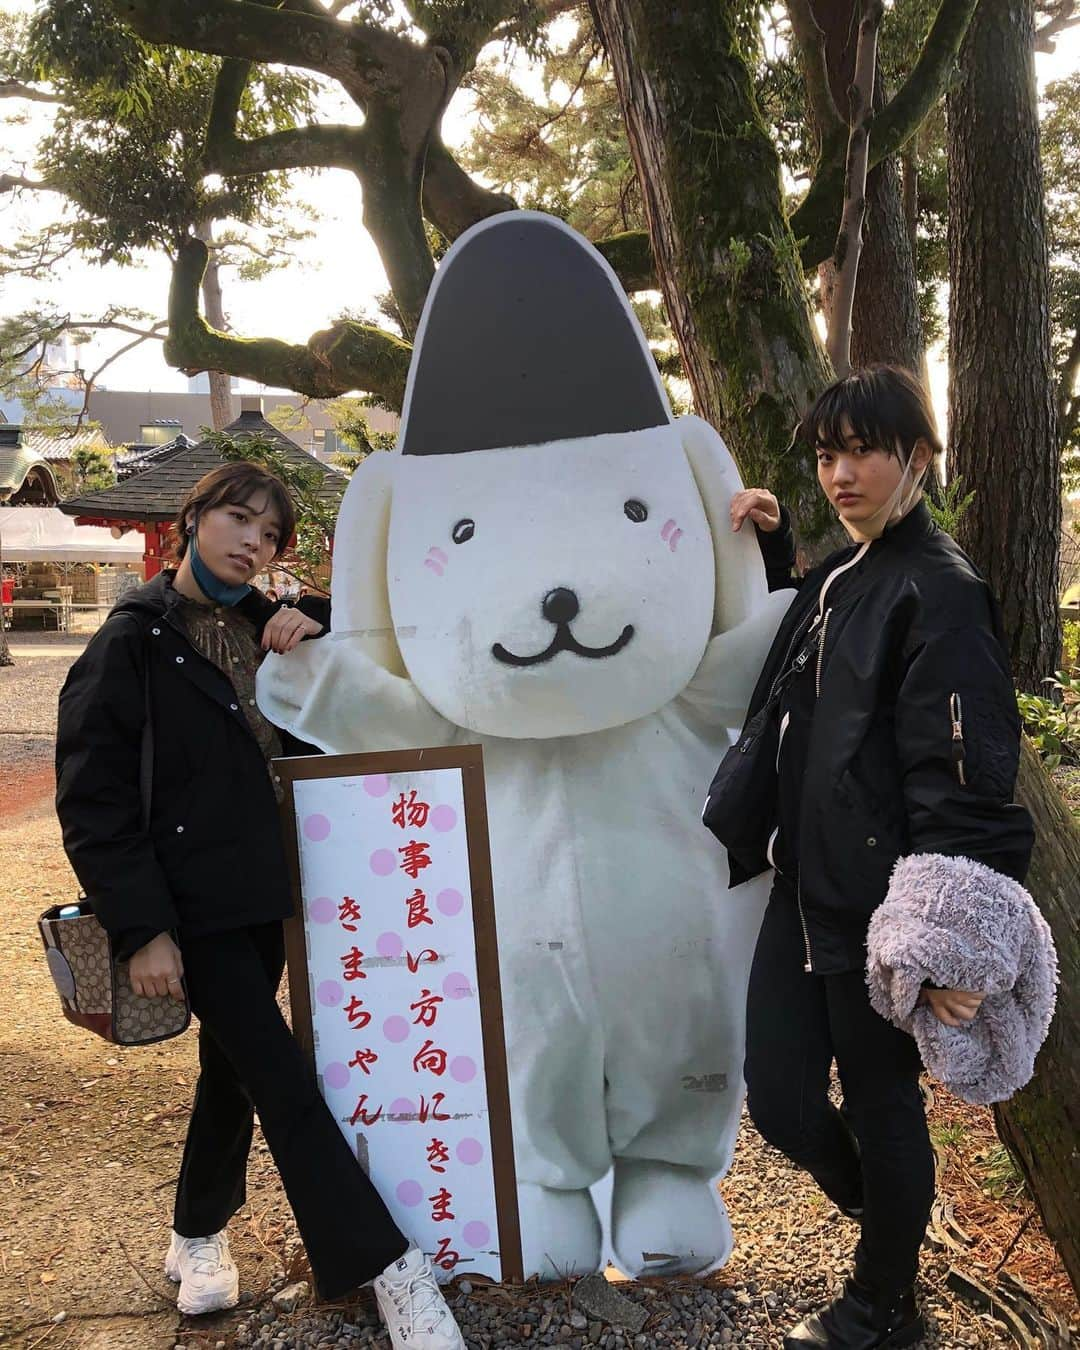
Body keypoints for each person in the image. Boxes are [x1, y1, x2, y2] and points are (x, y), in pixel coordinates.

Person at [55, 462, 466, 1350]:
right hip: (187, 908)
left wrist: (311, 615)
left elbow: (347, 629)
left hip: (264, 895)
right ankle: (388, 1269)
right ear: (193, 516)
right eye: (237, 519)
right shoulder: (131, 639)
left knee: (230, 1070)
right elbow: (93, 801)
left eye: (269, 534)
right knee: (279, 1077)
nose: (251, 542)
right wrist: (143, 930)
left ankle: (196, 1235)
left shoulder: (261, 623)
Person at [714, 366, 1035, 1350]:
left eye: (863, 452)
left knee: (886, 1103)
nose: (841, 472)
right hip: (803, 890)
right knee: (776, 1098)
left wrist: (945, 942)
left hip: (883, 909)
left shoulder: (939, 592)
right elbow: (802, 681)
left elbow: (968, 769)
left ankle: (882, 1304)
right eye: (827, 454)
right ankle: (892, 1226)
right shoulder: (842, 577)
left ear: (918, 459)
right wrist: (774, 548)